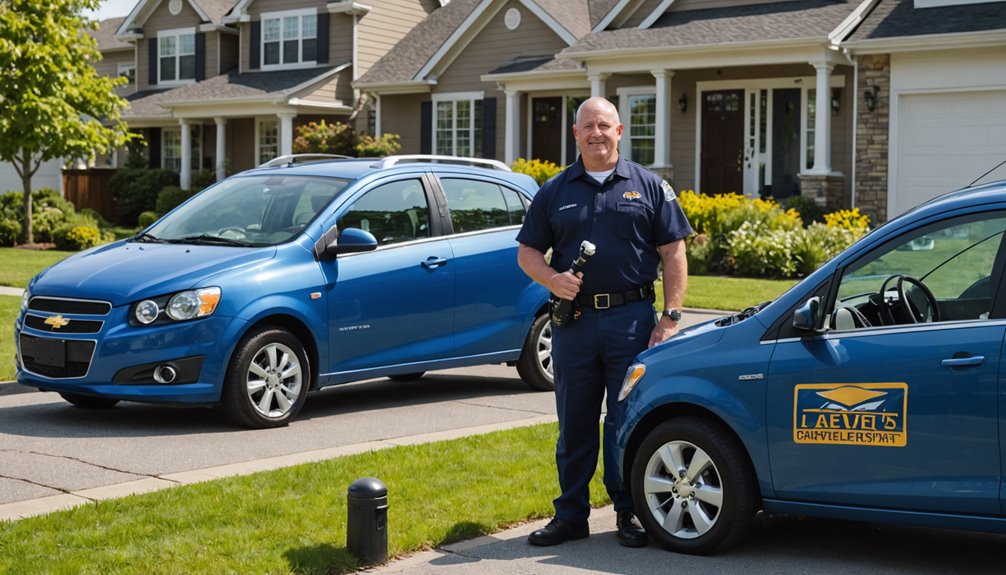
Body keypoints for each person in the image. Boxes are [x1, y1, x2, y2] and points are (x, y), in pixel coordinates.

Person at [516, 97, 693, 547]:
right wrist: (553, 280)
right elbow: (528, 252)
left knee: (625, 420)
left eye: (604, 125)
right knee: (573, 422)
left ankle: (629, 512)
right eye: (587, 126)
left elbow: (674, 251)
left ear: (620, 131)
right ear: (575, 133)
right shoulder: (554, 191)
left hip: (632, 321)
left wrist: (670, 317)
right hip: (574, 325)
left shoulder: (650, 186)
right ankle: (571, 515)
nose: (596, 133)